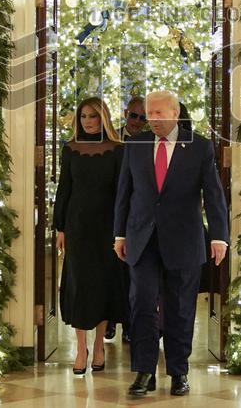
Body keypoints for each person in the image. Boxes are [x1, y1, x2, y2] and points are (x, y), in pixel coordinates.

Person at [113, 90, 229, 397]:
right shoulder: (135, 146)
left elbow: (214, 194)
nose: (152, 119)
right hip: (142, 239)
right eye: (149, 113)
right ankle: (144, 371)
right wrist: (120, 234)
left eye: (159, 113)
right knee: (141, 304)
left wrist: (219, 236)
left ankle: (179, 371)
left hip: (184, 239)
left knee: (180, 308)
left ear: (175, 114)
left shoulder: (200, 146)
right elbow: (124, 193)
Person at [53, 96, 126, 375]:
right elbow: (64, 189)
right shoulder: (69, 149)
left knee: (103, 285)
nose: (87, 122)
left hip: (107, 227)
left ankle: (98, 346)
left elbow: (123, 193)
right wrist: (60, 227)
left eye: (93, 116)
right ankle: (80, 347)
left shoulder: (119, 150)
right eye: (83, 117)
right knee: (79, 284)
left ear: (103, 118)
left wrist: (122, 232)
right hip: (77, 226)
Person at [107, 95, 147, 344]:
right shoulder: (112, 140)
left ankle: (131, 324)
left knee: (134, 274)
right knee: (113, 272)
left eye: (143, 118)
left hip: (137, 216)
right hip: (111, 212)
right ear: (125, 114)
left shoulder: (147, 142)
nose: (138, 121)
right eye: (134, 116)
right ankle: (111, 319)